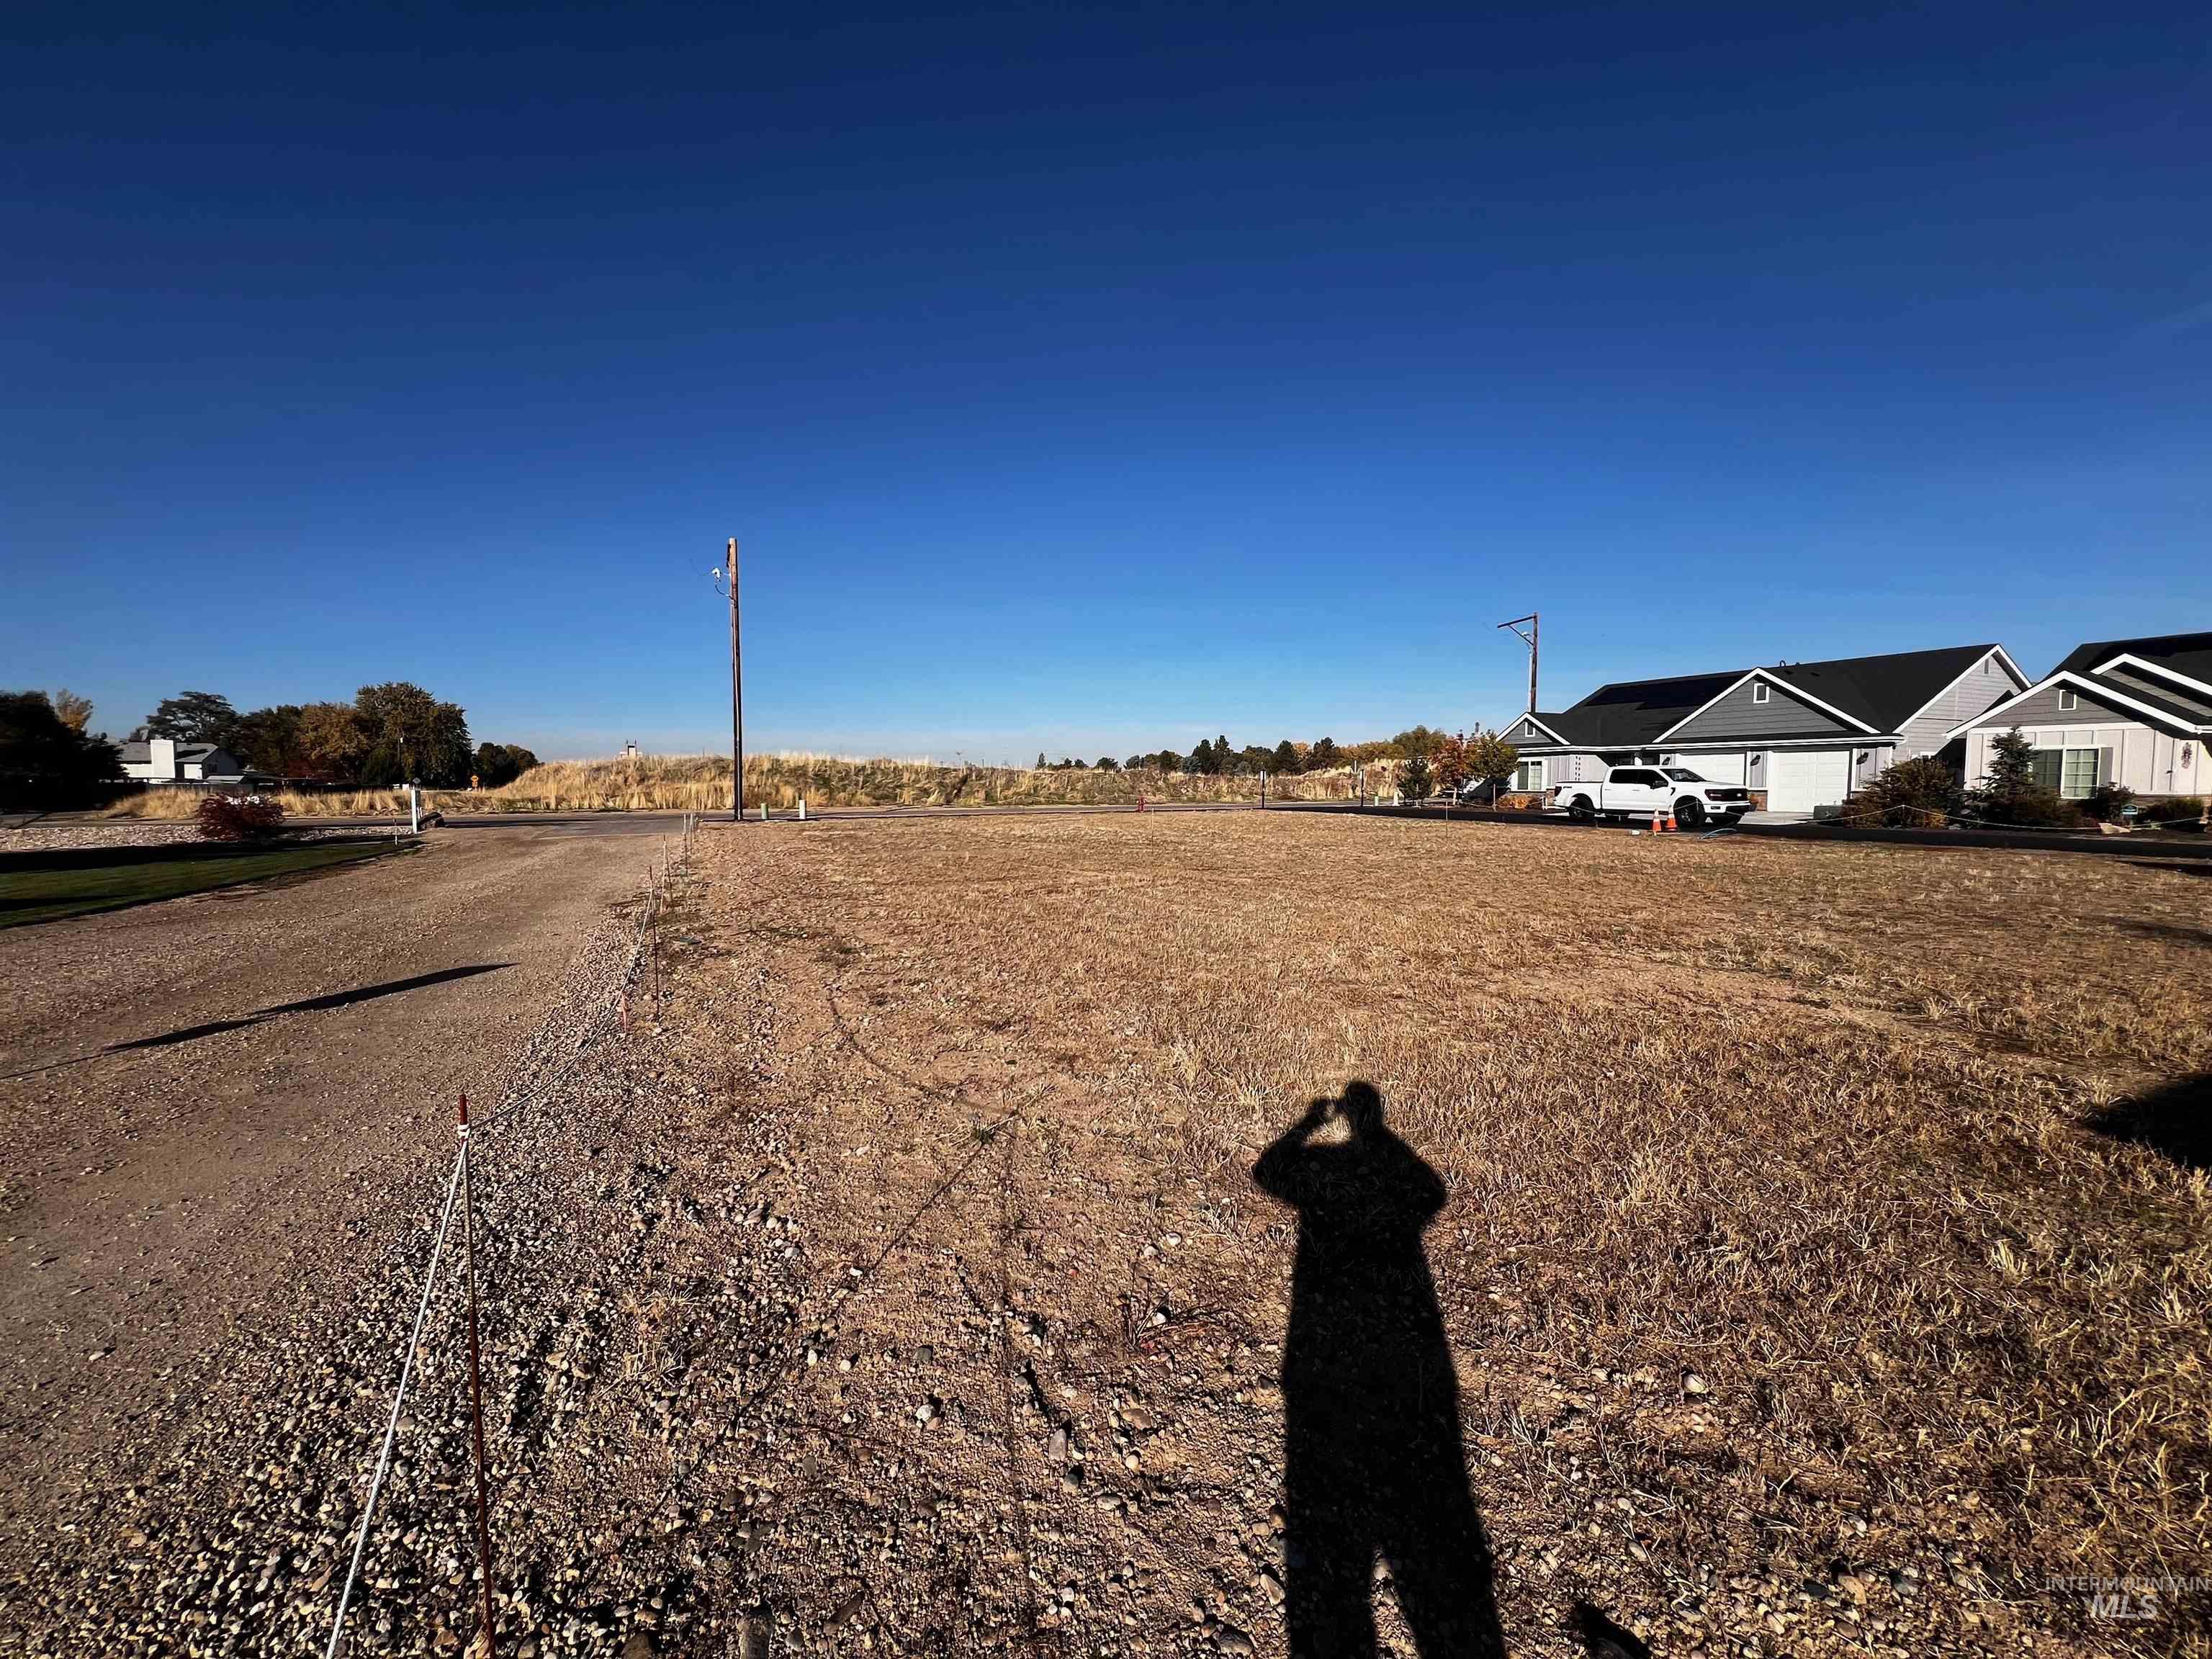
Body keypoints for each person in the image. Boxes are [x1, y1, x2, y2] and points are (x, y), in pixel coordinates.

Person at [1252, 1084, 1503, 1658]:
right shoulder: (1397, 1166)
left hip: (1323, 1354)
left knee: (1332, 1565)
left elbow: (1269, 1172)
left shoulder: (1332, 1164)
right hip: (1403, 1359)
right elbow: (1431, 1195)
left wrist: (1304, 1127)